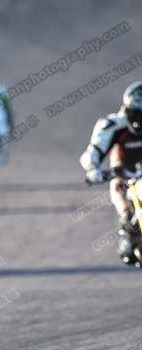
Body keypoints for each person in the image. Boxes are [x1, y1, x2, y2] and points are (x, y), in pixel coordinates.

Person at [80, 81, 142, 265]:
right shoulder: (112, 125)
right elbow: (93, 151)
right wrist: (93, 169)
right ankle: (127, 231)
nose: (139, 120)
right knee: (116, 188)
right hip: (124, 175)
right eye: (136, 113)